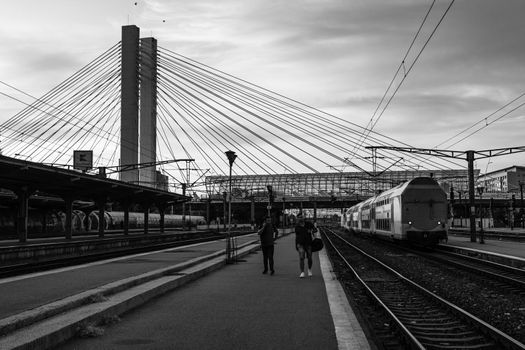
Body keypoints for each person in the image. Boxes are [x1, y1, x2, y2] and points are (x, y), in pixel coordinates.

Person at [294, 214, 314, 278]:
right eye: (299, 217)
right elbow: (297, 235)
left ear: (304, 217)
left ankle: (309, 269)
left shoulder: (309, 224)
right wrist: (297, 244)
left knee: (310, 257)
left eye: (301, 217)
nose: (300, 218)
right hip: (300, 244)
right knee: (302, 257)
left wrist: (311, 230)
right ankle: (302, 272)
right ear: (298, 218)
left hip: (308, 243)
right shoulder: (297, 226)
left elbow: (315, 229)